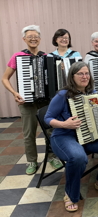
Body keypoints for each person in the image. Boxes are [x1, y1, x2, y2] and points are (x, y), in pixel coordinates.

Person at [44, 62, 98, 211]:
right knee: (78, 157)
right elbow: (47, 118)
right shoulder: (62, 95)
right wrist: (65, 124)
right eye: (80, 74)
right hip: (64, 136)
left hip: (87, 135)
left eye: (87, 73)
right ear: (72, 76)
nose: (85, 77)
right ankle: (70, 194)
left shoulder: (92, 92)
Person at [1, 25, 62, 175]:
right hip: (27, 102)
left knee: (50, 131)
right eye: (30, 37)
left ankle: (53, 157)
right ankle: (32, 161)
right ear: (24, 39)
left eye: (36, 36)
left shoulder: (47, 57)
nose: (33, 39)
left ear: (40, 39)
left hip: (45, 102)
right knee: (29, 134)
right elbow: (4, 78)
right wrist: (15, 93)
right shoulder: (18, 56)